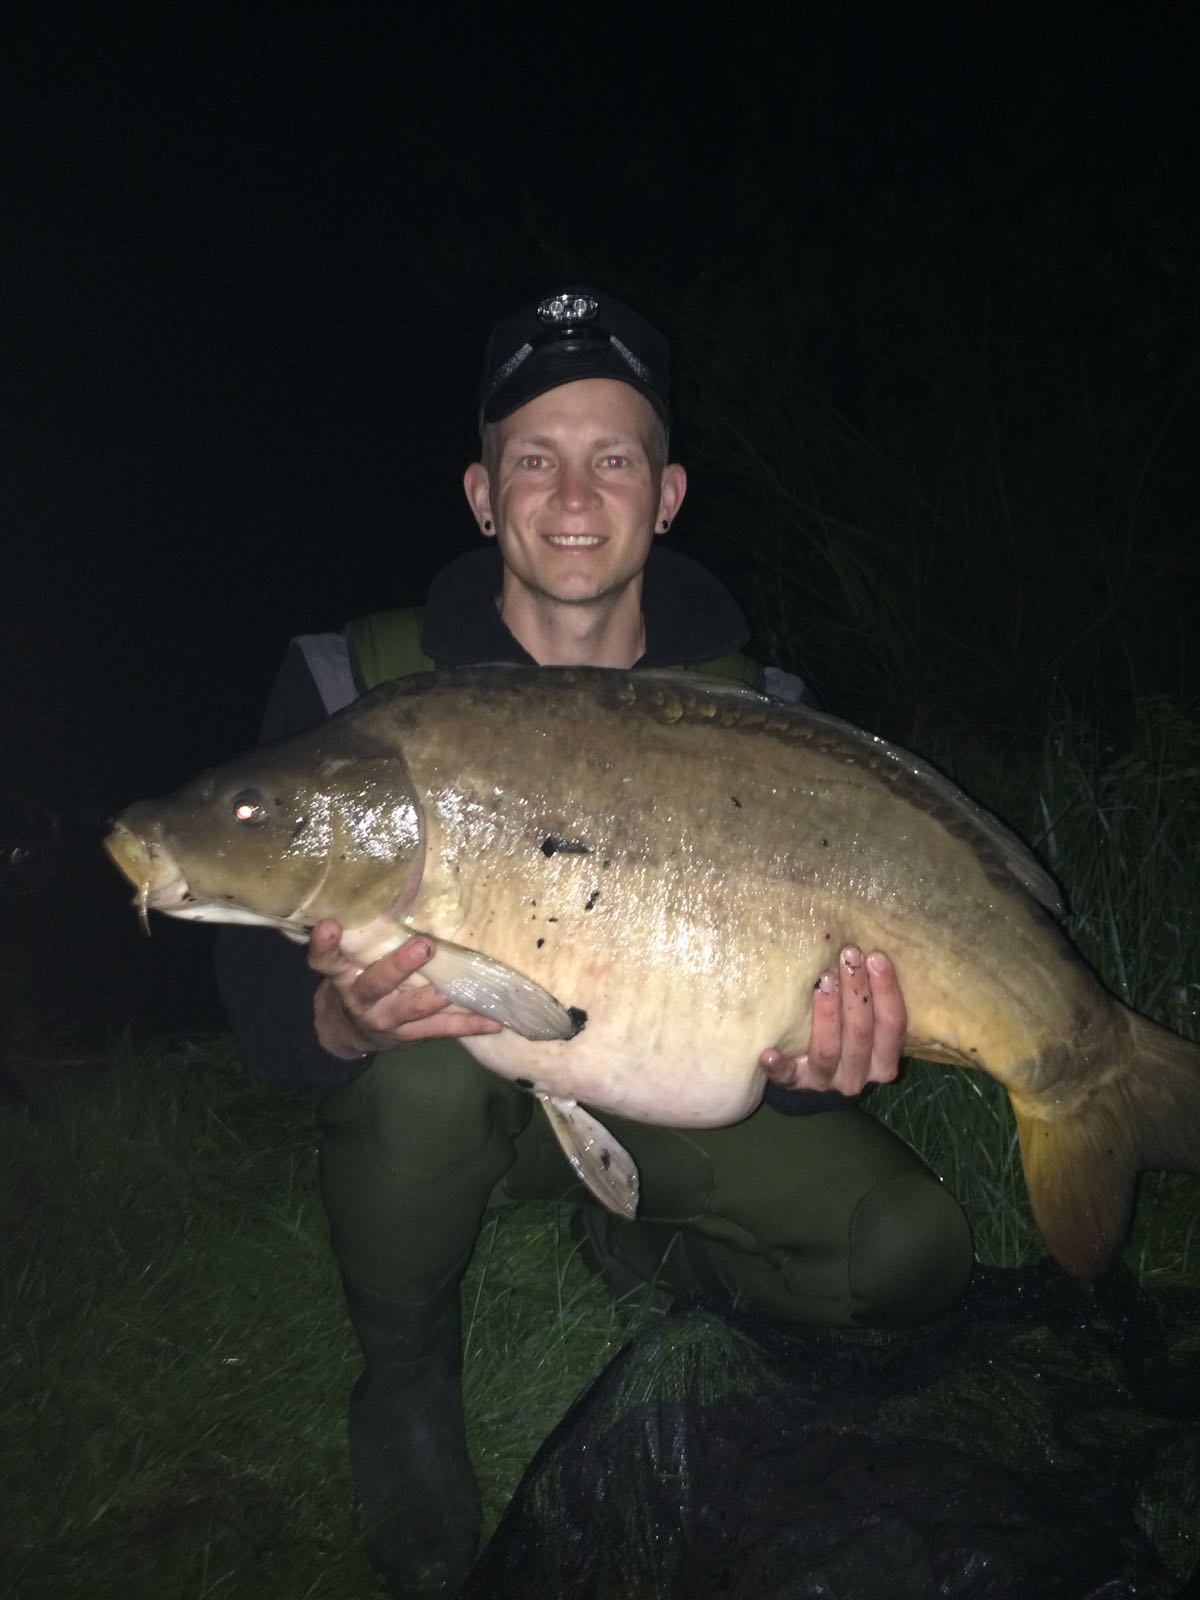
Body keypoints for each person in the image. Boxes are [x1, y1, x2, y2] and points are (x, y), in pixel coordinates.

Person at [216, 286, 974, 1599]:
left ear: (667, 494)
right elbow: (257, 1012)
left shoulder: (773, 720)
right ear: (480, 490)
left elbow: (802, 1014)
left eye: (613, 456)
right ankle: (405, 1381)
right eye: (536, 457)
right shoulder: (351, 686)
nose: (575, 494)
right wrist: (338, 1020)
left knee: (907, 1253)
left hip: (674, 1080)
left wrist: (816, 1062)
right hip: (463, 1098)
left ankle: (641, 1242)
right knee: (411, 1056)